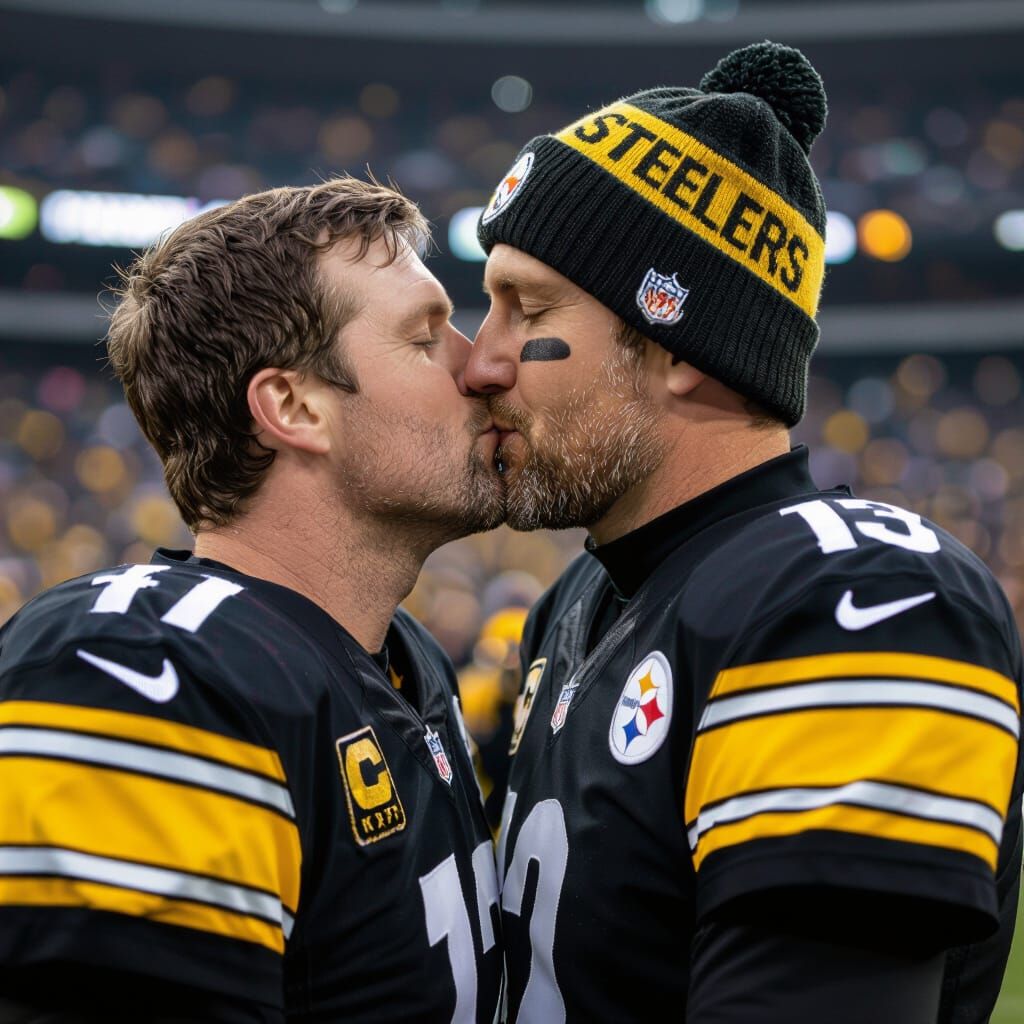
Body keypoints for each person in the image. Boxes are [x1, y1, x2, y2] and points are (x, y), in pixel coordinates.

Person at [464, 40, 1023, 1024]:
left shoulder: (859, 600)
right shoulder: (579, 602)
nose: (482, 360)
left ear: (677, 338)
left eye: (528, 307)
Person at [0, 178, 505, 1022]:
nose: (481, 364)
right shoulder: (145, 667)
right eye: (425, 338)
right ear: (293, 406)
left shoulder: (399, 658)